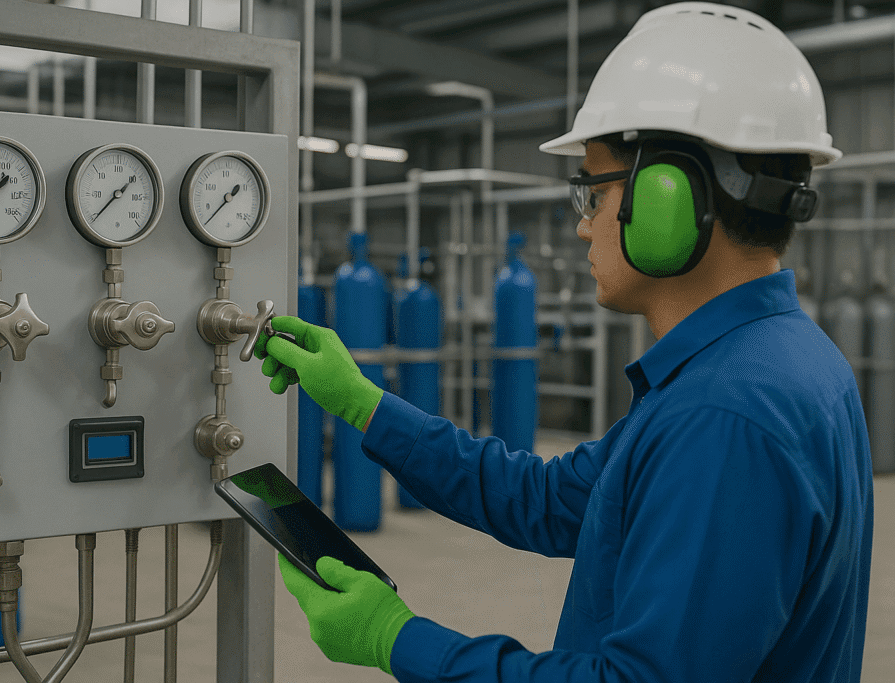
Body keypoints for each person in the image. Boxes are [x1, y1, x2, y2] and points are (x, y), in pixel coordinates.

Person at [256, 2, 875, 681]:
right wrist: (364, 404)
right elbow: (548, 500)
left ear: (668, 196)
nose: (583, 226)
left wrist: (397, 639)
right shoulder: (773, 362)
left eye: (593, 193)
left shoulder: (725, 414)